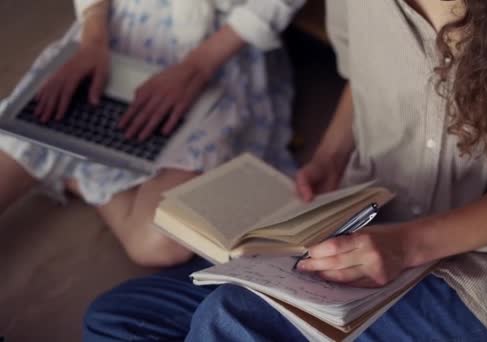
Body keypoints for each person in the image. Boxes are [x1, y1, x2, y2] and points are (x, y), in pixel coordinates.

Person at [83, 0, 487, 340]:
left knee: (227, 323)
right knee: (116, 320)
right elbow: (366, 73)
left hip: (475, 271)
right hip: (360, 220)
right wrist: (330, 156)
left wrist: (408, 245)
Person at [0, 0, 305, 267]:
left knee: (160, 243)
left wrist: (196, 68)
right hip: (120, 25)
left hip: (225, 47)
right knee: (31, 131)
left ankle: (76, 171)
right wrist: (93, 38)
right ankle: (83, 157)